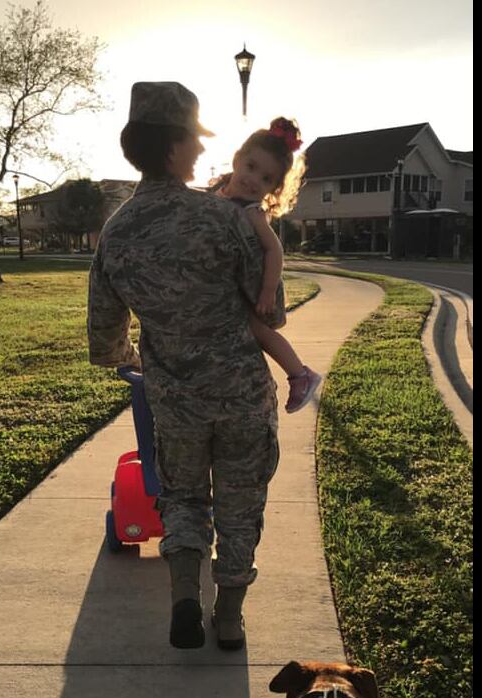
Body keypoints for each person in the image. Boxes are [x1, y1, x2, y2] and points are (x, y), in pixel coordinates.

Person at [87, 81, 283, 651]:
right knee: (241, 503)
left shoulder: (116, 232)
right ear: (172, 147)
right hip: (243, 395)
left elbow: (104, 336)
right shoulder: (225, 219)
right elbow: (272, 312)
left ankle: (182, 599)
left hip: (174, 401)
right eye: (193, 142)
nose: (201, 153)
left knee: (184, 499)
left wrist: (140, 355)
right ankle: (229, 618)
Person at [208, 117, 322, 413]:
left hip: (257, 287)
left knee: (259, 332)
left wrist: (268, 291)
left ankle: (300, 374)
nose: (253, 180)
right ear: (237, 160)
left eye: (266, 179)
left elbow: (274, 250)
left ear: (273, 189)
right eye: (251, 167)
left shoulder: (251, 212)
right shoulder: (215, 196)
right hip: (233, 286)